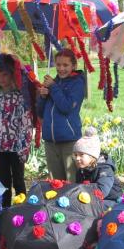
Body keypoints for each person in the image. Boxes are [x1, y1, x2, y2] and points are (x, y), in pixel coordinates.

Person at [0, 59, 34, 207]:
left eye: (5, 75)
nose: (2, 79)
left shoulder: (20, 97)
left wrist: (25, 144)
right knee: (3, 181)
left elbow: (26, 122)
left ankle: (23, 210)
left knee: (18, 180)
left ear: (12, 76)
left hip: (16, 145)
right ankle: (4, 211)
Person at [38, 49, 85, 181]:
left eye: (65, 65)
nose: (61, 68)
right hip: (50, 141)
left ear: (74, 66)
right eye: (58, 65)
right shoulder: (53, 83)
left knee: (71, 181)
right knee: (56, 183)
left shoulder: (77, 83)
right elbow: (40, 112)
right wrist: (42, 97)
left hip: (69, 140)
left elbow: (66, 107)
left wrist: (53, 87)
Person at [73, 127, 122, 205]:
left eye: (81, 155)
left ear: (92, 156)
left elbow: (101, 192)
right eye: (75, 155)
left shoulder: (105, 169)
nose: (77, 158)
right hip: (92, 198)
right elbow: (78, 187)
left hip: (111, 200)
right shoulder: (81, 170)